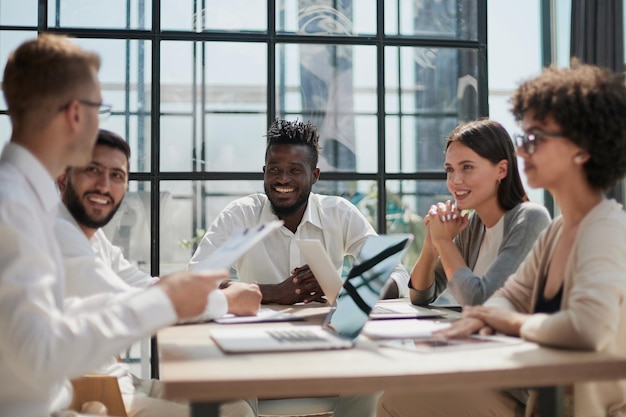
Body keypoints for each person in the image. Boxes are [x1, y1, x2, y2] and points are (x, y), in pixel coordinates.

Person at [378, 62, 626, 417]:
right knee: (398, 393)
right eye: (524, 139)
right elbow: (506, 298)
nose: (522, 151)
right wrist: (481, 320)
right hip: (538, 393)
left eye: (536, 139)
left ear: (582, 148)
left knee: (394, 401)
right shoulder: (558, 231)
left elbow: (586, 329)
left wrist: (505, 321)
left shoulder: (604, 228)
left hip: (574, 407)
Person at [0, 34, 226, 417]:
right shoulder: (13, 207)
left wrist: (169, 295)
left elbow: (52, 316)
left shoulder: (25, 199)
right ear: (75, 114)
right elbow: (40, 351)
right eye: (99, 107)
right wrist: (167, 301)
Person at [55, 129, 261, 417]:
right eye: (93, 170)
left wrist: (211, 290)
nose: (104, 185)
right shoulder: (57, 234)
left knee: (237, 403)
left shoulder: (91, 236)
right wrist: (227, 302)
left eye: (117, 175)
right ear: (63, 177)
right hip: (89, 395)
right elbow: (133, 303)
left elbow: (144, 285)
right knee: (235, 414)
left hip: (119, 381)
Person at [188, 118, 410, 305]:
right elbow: (196, 280)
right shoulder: (240, 215)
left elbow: (397, 276)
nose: (283, 179)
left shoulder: (339, 213)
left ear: (314, 175)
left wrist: (342, 288)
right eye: (275, 169)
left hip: (327, 336)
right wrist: (274, 292)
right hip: (256, 334)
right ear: (265, 172)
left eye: (295, 170)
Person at [409, 119, 551, 307]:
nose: (455, 180)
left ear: (501, 170)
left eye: (467, 167)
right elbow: (421, 295)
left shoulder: (531, 218)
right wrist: (431, 242)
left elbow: (483, 300)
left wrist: (444, 242)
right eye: (450, 169)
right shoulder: (473, 225)